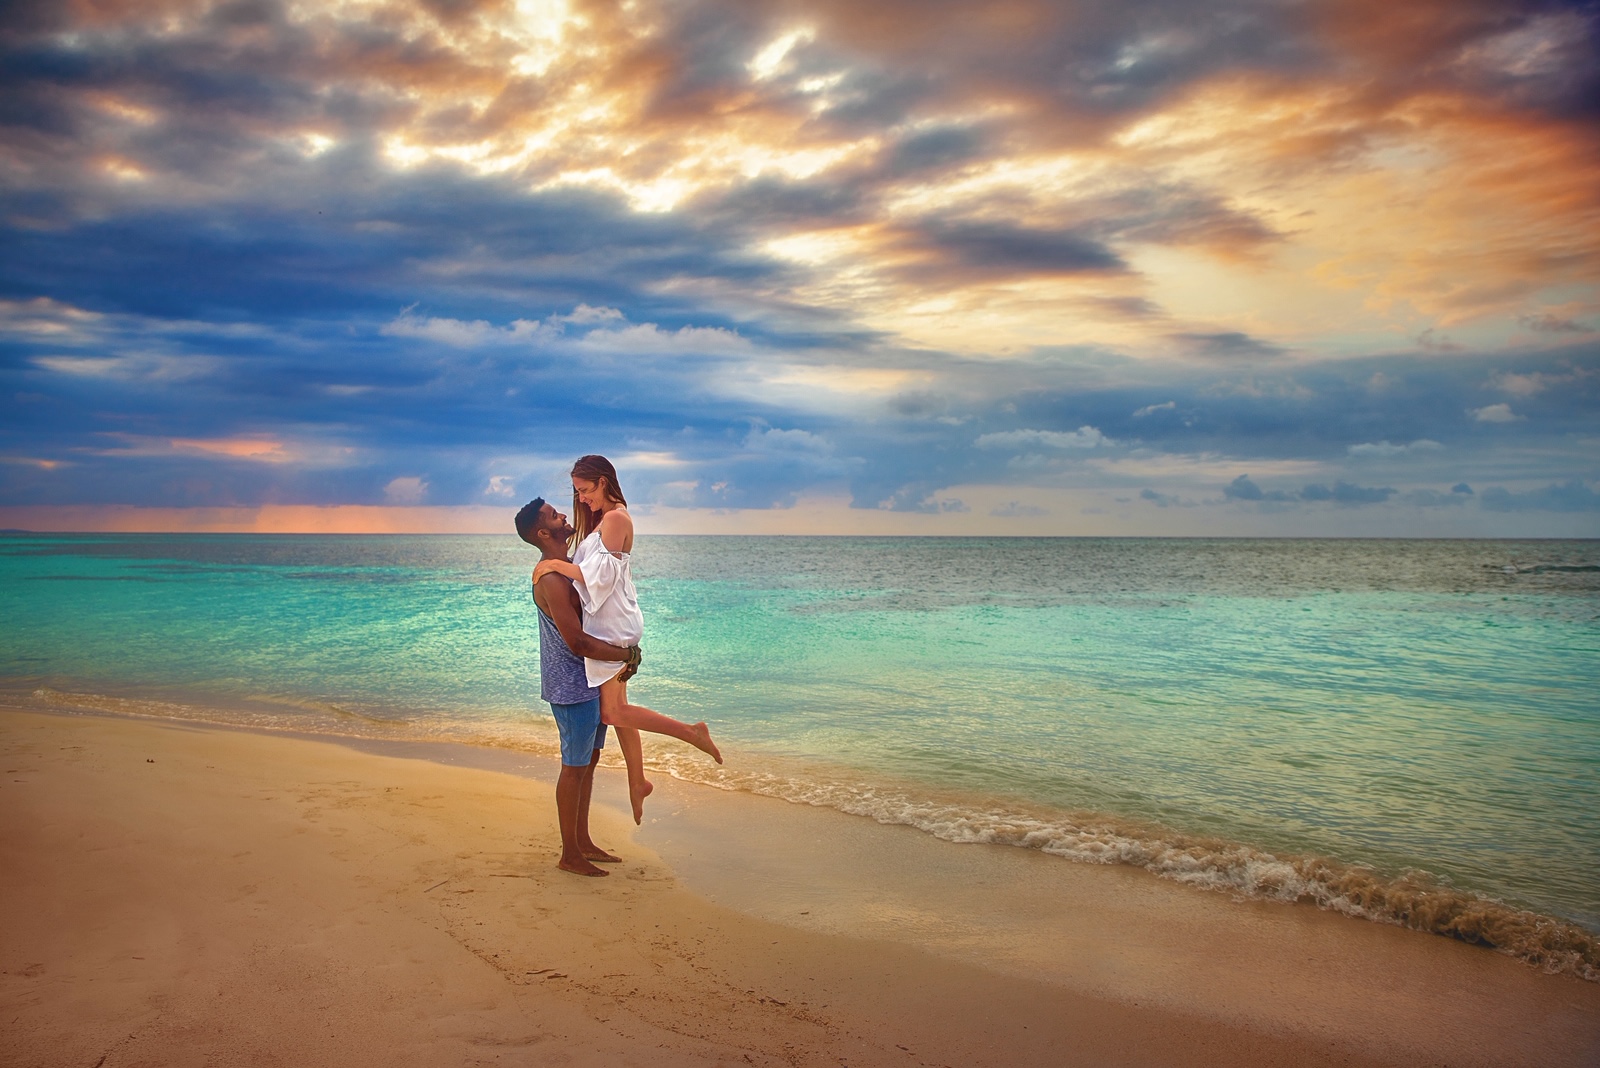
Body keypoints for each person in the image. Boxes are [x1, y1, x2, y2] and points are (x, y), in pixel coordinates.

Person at [531, 455, 721, 823]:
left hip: (614, 625)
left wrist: (556, 565)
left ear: (603, 482)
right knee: (617, 707)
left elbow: (600, 579)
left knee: (612, 710)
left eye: (585, 490)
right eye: (576, 492)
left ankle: (691, 732)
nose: (581, 498)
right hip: (614, 621)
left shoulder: (616, 518)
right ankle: (638, 781)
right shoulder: (604, 520)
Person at [515, 496, 637, 877]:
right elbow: (577, 642)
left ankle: (582, 841)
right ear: (543, 532)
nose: (564, 514)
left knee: (589, 762)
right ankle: (570, 854)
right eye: (554, 515)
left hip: (588, 679)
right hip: (571, 685)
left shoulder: (567, 569)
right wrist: (626, 654)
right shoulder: (550, 578)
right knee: (573, 767)